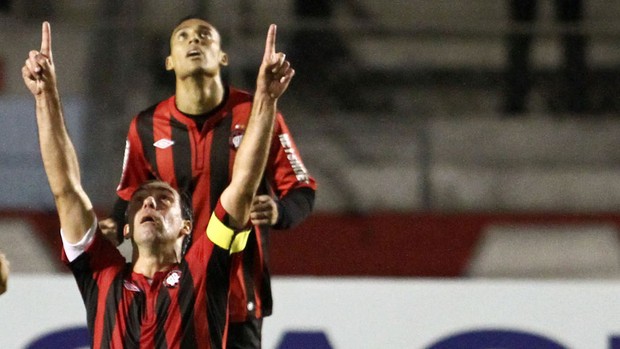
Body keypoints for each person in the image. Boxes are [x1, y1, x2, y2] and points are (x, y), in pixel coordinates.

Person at [22, 20, 294, 347]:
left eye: (164, 200)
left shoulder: (206, 270)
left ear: (186, 227)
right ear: (126, 229)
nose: (149, 203)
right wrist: (45, 96)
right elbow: (66, 189)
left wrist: (265, 100)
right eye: (139, 203)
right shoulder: (102, 273)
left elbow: (243, 185)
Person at [98, 16, 317, 348]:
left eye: (204, 36)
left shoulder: (258, 114)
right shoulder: (145, 126)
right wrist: (114, 225)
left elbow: (301, 189)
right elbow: (130, 195)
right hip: (172, 299)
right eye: (183, 36)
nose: (194, 41)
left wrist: (279, 211)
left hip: (236, 293)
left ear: (222, 56)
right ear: (169, 60)